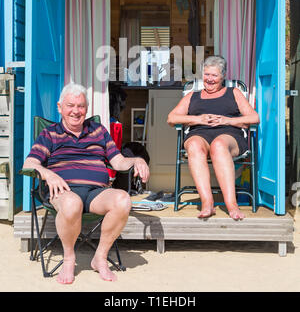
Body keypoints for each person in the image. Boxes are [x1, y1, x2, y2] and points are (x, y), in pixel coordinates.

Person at [22, 83, 149, 284]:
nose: (76, 111)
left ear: (87, 109)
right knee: (72, 203)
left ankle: (99, 257)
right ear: (59, 107)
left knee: (123, 200)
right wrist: (48, 174)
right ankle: (69, 258)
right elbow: (29, 163)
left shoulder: (98, 130)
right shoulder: (50, 134)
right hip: (63, 191)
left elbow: (117, 161)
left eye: (81, 106)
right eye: (70, 105)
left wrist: (137, 160)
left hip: (95, 192)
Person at [167, 55, 259, 221]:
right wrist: (197, 119)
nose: (209, 79)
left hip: (229, 134)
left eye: (214, 75)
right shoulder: (192, 96)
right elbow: (171, 118)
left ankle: (231, 205)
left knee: (218, 145)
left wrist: (228, 120)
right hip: (198, 134)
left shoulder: (234, 93)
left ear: (222, 76)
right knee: (194, 145)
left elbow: (254, 118)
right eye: (206, 74)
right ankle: (207, 203)